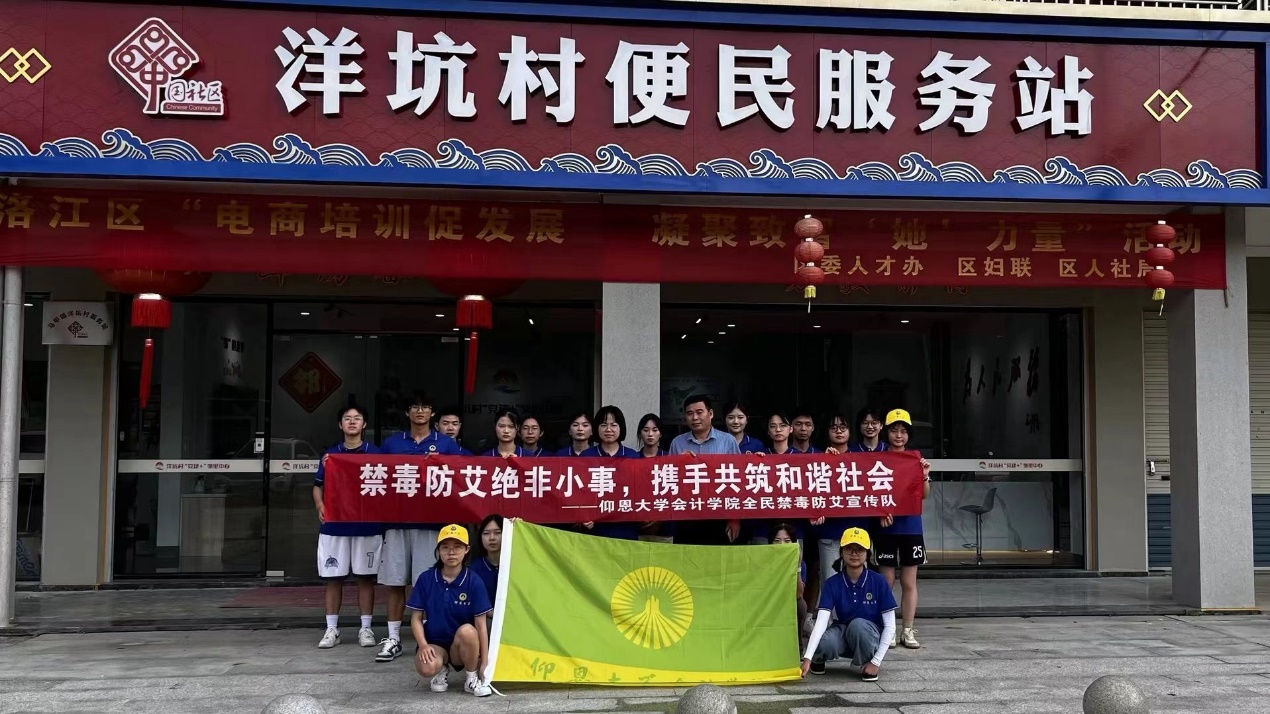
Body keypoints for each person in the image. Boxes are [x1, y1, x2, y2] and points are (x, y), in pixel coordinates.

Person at [376, 392, 464, 663]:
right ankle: (393, 638)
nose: (420, 411)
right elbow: (370, 471)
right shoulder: (392, 443)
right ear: (407, 413)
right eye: (414, 406)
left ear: (432, 413)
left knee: (425, 584)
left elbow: (467, 472)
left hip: (431, 524)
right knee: (395, 582)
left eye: (425, 406)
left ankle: (427, 639)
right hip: (397, 521)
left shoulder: (446, 444)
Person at [313, 404, 381, 650]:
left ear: (364, 424)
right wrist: (320, 505)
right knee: (333, 578)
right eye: (347, 418)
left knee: (365, 578)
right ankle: (332, 628)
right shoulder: (330, 456)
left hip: (366, 526)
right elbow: (318, 485)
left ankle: (366, 628)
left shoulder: (377, 454)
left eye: (357, 418)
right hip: (335, 525)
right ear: (340, 425)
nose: (352, 422)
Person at [407, 524, 493, 698]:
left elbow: (481, 625)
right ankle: (441, 669)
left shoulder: (474, 581)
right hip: (434, 642)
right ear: (438, 550)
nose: (451, 552)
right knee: (426, 667)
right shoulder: (426, 578)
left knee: (468, 631)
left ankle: (471, 677)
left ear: (467, 549)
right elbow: (416, 618)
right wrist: (423, 645)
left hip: (462, 646)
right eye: (445, 547)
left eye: (457, 547)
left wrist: (485, 662)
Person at [801, 527, 897, 682]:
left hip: (867, 635)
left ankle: (868, 662)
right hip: (842, 631)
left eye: (860, 549)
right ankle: (818, 660)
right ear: (841, 552)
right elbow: (821, 622)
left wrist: (876, 661)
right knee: (826, 642)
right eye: (849, 549)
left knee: (858, 625)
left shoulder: (879, 581)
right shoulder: (832, 583)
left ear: (867, 554)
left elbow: (891, 626)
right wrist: (808, 657)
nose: (854, 553)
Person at [875, 408, 932, 650]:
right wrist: (879, 513)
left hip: (911, 527)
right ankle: (888, 629)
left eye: (903, 431)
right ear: (886, 432)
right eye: (894, 430)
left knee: (909, 581)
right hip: (886, 528)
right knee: (886, 581)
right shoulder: (878, 459)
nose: (899, 435)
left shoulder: (915, 460)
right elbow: (871, 494)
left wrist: (925, 475)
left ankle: (907, 630)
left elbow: (924, 495)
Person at [669, 395, 741, 544]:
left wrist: (735, 518)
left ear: (711, 413)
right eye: (690, 413)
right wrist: (679, 463)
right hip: (686, 514)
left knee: (717, 557)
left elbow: (738, 480)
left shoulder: (728, 441)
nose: (695, 417)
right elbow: (669, 480)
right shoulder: (677, 443)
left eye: (699, 412)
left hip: (719, 513)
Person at [814, 411, 874, 585]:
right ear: (827, 432)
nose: (838, 431)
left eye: (843, 427)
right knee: (830, 582)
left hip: (858, 532)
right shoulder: (817, 458)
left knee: (859, 583)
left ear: (849, 431)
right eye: (833, 427)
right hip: (830, 532)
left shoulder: (861, 457)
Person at [579, 405, 642, 539]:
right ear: (596, 428)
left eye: (613, 425)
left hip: (626, 529)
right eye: (603, 425)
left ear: (621, 428)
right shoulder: (586, 456)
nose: (608, 429)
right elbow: (578, 492)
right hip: (595, 531)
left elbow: (642, 491)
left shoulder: (633, 457)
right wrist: (583, 516)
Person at [771, 522, 808, 651]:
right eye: (777, 541)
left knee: (801, 606)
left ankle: (797, 647)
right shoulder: (764, 562)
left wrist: (796, 566)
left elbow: (798, 594)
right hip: (768, 603)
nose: (782, 545)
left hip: (788, 602)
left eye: (787, 541)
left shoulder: (801, 565)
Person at [471, 515, 503, 608]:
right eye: (486, 533)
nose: (492, 538)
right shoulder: (474, 569)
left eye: (497, 533)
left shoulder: (516, 564)